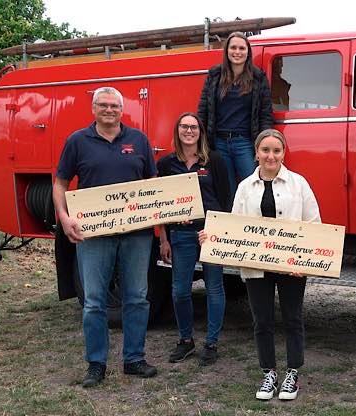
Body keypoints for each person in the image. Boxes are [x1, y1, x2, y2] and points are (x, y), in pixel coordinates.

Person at [199, 129, 320, 401]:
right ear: (256, 153)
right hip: (256, 268)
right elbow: (233, 228)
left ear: (283, 153)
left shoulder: (298, 184)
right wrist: (213, 237)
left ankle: (292, 373)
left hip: (292, 266)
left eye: (276, 151)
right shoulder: (244, 187)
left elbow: (314, 225)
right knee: (261, 320)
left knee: (293, 318)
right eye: (265, 150)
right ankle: (268, 373)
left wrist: (305, 262)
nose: (271, 156)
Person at [52, 86, 159, 388]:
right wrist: (64, 217)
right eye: (104, 105)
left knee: (137, 297)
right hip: (93, 234)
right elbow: (60, 183)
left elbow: (154, 184)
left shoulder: (139, 140)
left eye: (115, 106)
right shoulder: (77, 141)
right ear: (94, 108)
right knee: (95, 302)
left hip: (136, 235)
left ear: (122, 109)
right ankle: (96, 364)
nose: (110, 110)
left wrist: (163, 217)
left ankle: (134, 359)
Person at [156, 113, 231, 366]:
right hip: (180, 234)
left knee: (214, 289)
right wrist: (163, 239)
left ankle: (211, 343)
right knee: (179, 291)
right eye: (184, 127)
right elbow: (160, 205)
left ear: (200, 131)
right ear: (177, 131)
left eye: (193, 127)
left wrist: (218, 231)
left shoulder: (215, 161)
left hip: (210, 233)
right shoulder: (166, 164)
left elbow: (226, 200)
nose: (189, 131)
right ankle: (185, 341)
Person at [197, 31, 273, 196]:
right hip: (219, 144)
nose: (237, 52)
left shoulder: (258, 78)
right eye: (233, 48)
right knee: (227, 191)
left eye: (241, 48)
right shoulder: (214, 75)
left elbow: (265, 114)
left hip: (245, 143)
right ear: (226, 51)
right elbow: (203, 110)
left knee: (254, 189)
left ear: (248, 51)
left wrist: (264, 145)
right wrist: (201, 144)